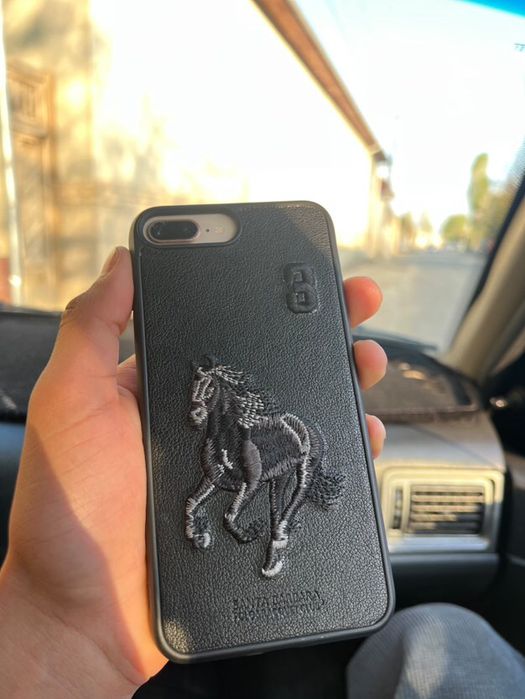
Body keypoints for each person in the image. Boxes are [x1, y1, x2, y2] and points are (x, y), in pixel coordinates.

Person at [1, 247, 522, 698]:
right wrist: (58, 624)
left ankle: (279, 533)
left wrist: (58, 630)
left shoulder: (272, 428)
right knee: (444, 629)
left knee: (296, 496)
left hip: (272, 485)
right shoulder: (212, 431)